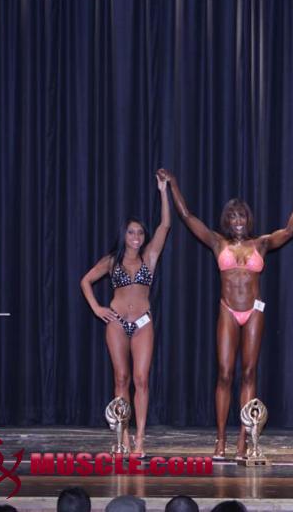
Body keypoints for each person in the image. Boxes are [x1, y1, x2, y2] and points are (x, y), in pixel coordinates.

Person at [160, 169, 293, 459]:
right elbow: (188, 217)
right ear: (226, 221)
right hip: (228, 310)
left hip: (254, 311)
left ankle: (244, 438)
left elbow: (290, 230)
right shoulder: (219, 242)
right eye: (232, 217)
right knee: (225, 373)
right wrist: (174, 184)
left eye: (242, 216)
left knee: (249, 373)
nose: (238, 221)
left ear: (248, 219)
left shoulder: (261, 243)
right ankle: (220, 439)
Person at [81, 172, 171, 457]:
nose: (136, 237)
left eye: (140, 233)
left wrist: (163, 191)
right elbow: (85, 281)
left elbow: (165, 225)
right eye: (131, 232)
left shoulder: (150, 257)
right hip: (117, 322)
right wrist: (97, 308)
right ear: (124, 235)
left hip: (143, 322)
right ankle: (123, 437)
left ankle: (140, 439)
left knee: (141, 379)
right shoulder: (112, 261)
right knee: (121, 378)